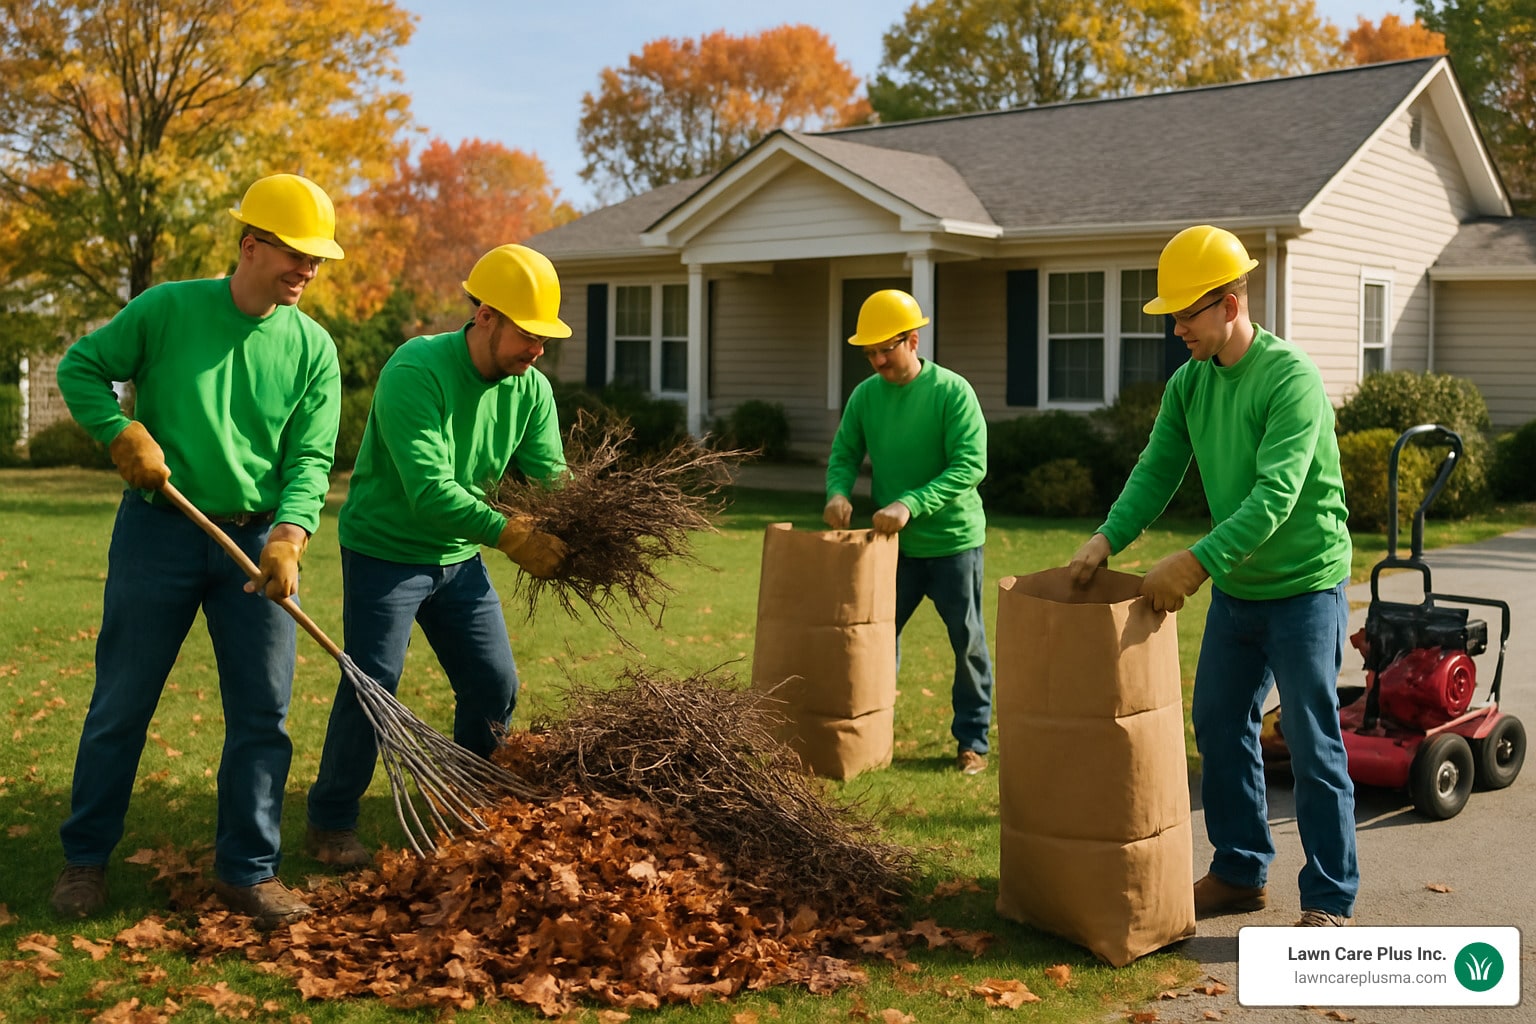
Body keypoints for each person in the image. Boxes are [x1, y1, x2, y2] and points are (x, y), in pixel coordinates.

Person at [50, 173, 346, 927]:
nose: (309, 270)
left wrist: (290, 534)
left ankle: (247, 869)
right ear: (251, 245)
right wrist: (122, 431)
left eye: (317, 259)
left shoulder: (313, 348)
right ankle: (84, 859)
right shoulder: (167, 309)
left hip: (255, 541)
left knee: (263, 713)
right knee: (122, 702)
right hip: (159, 530)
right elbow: (81, 367)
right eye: (297, 255)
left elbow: (311, 460)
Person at [1068, 225, 1356, 927]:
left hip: (1305, 585)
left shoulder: (1290, 380)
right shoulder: (1190, 383)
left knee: (1313, 741)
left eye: (1186, 313)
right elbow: (1156, 470)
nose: (1176, 329)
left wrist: (1193, 564)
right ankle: (1239, 871)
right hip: (1241, 589)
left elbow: (1275, 497)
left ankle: (1328, 899)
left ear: (1229, 304)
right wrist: (1107, 539)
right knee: (1219, 721)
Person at [304, 244, 571, 867]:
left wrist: (588, 525)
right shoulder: (415, 369)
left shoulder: (529, 389)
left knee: (494, 682)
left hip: (459, 558)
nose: (537, 351)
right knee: (376, 684)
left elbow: (552, 478)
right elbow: (429, 493)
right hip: (385, 550)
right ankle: (331, 821)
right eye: (528, 336)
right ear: (486, 318)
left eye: (545, 340)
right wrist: (510, 534)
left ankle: (468, 798)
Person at [823, 289, 993, 775]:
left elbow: (970, 466)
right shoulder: (865, 396)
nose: (878, 360)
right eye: (870, 352)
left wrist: (909, 503)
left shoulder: (952, 392)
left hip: (954, 542)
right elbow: (843, 456)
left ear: (913, 341)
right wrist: (838, 493)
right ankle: (873, 733)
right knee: (876, 641)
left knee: (968, 645)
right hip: (891, 549)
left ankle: (973, 742)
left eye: (886, 349)